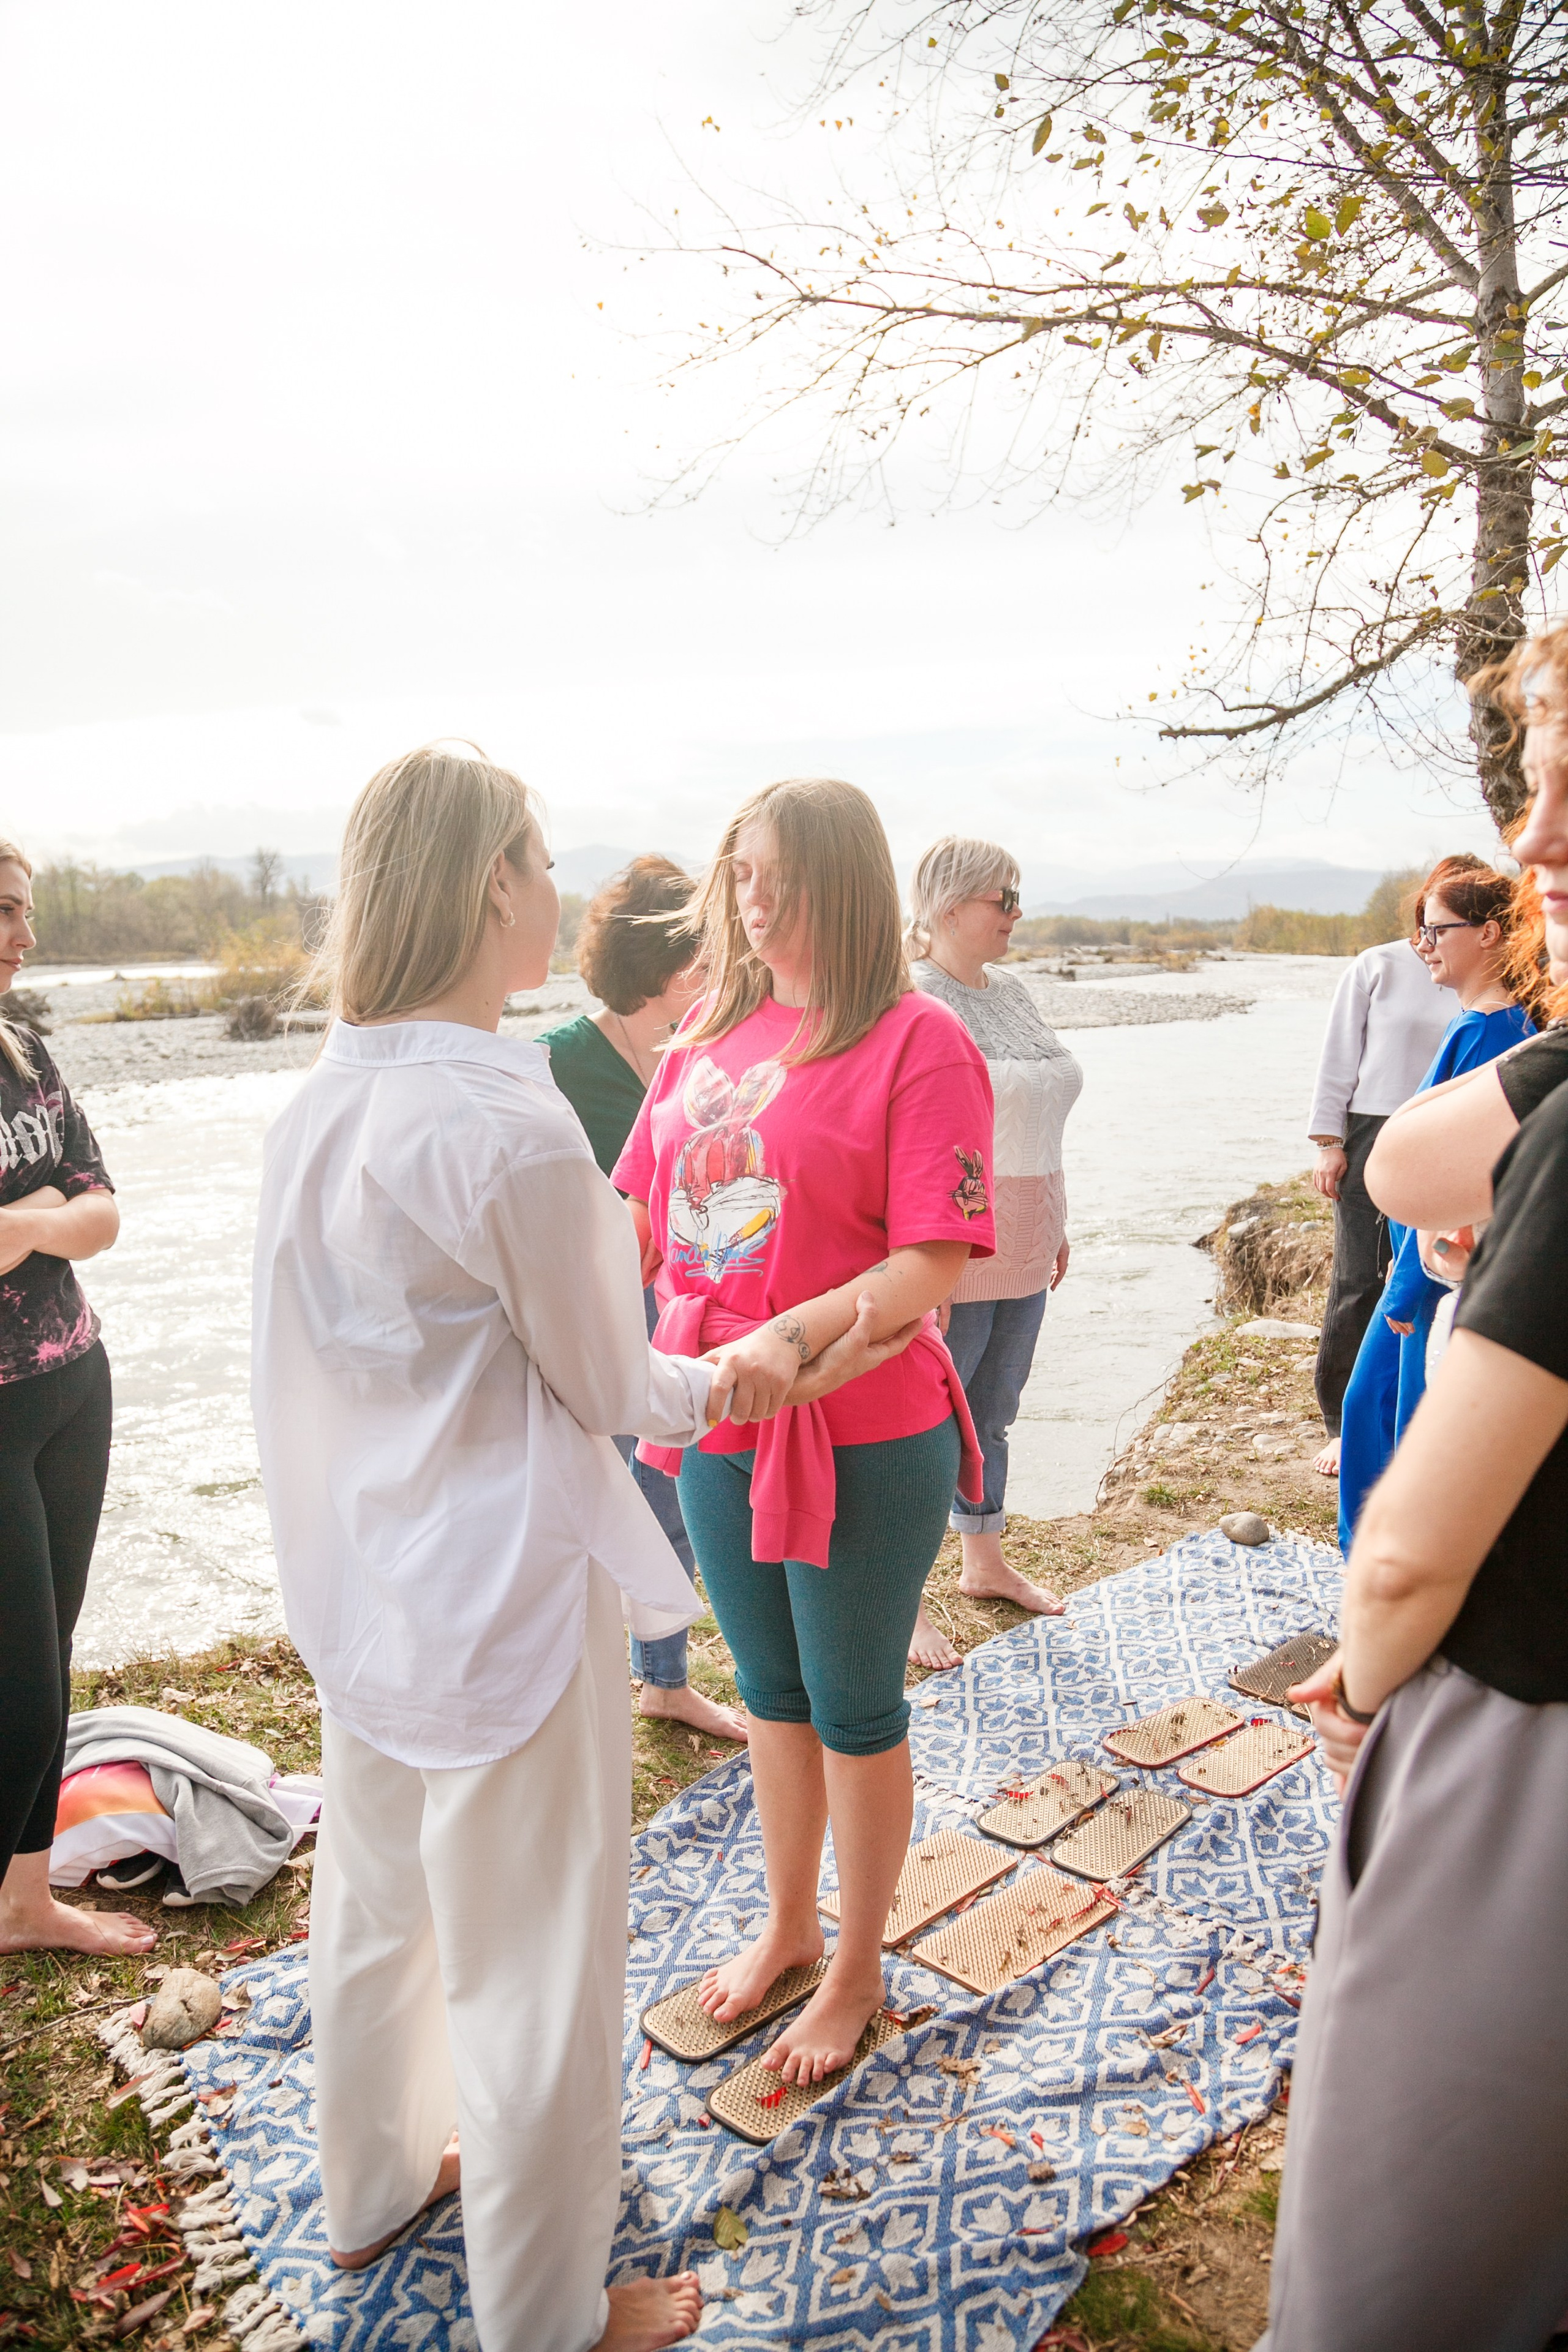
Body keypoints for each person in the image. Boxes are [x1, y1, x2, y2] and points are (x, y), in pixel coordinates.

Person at [250, 747, 910, 2352]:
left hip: (362, 1572)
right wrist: (743, 1368)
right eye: (542, 861)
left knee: (379, 1908)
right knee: (535, 1957)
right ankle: (545, 2312)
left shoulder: (320, 1099)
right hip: (501, 1589)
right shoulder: (502, 1115)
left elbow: (300, 1371)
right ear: (493, 883)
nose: (560, 889)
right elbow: (612, 1383)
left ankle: (368, 2185)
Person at [1259, 627, 1568, 2352]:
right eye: (1534, 789)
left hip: (1528, 1747)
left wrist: (1362, 1690)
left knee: (1394, 2269)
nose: (1534, 844)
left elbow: (1403, 1559)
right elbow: (1400, 1169)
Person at [613, 777, 994, 2084]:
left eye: (779, 873)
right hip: (714, 1419)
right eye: (741, 872)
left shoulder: (917, 1040)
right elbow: (635, 1215)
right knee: (771, 1695)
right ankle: (788, 1925)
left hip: (861, 1429)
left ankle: (858, 1964)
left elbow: (934, 1258)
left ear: (845, 880)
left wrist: (791, 1337)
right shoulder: (702, 1034)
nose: (754, 898)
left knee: (852, 1705)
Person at [540, 857, 745, 1744]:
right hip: (596, 1312)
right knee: (615, 1497)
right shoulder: (554, 1062)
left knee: (674, 1495)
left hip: (685, 1305)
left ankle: (663, 1679)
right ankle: (615, 1675)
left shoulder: (707, 1050)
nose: (721, 965)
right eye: (704, 951)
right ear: (661, 964)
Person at [0, 839, 141, 1960]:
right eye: (5, 910)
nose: (26, 935)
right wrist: (50, 1209)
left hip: (72, 1383)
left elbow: (102, 1209)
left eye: (26, 910)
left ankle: (25, 1900)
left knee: (51, 1653)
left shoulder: (24, 1050)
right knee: (22, 1682)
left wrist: (28, 1220)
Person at [903, 834, 1082, 1670]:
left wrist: (1056, 1217)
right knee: (926, 1428)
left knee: (994, 1411)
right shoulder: (913, 997)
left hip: (1029, 1233)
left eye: (1017, 896)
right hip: (958, 1245)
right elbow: (910, 1136)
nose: (1016, 912)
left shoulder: (1012, 992)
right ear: (947, 905)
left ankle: (983, 1562)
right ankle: (902, 1599)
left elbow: (1036, 1115)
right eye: (1001, 899)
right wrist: (923, 1258)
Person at [1335, 858, 1532, 1553]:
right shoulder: (1492, 1023)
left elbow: (1466, 1180)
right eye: (1419, 931)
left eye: (1436, 930)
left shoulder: (1489, 1033)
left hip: (1433, 1273)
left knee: (1381, 1413)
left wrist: (1407, 1291)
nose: (1422, 945)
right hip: (1423, 1268)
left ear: (1489, 934)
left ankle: (1380, 1570)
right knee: (1383, 1411)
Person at [1304, 916, 1458, 1475]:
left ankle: (1413, 1413)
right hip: (1372, 1127)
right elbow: (1337, 1054)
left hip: (1448, 1128)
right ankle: (1341, 1423)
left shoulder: (1488, 971)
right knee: (1361, 1277)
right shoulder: (1378, 965)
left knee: (1434, 1275)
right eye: (1429, 921)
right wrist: (1330, 1142)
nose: (1432, 938)